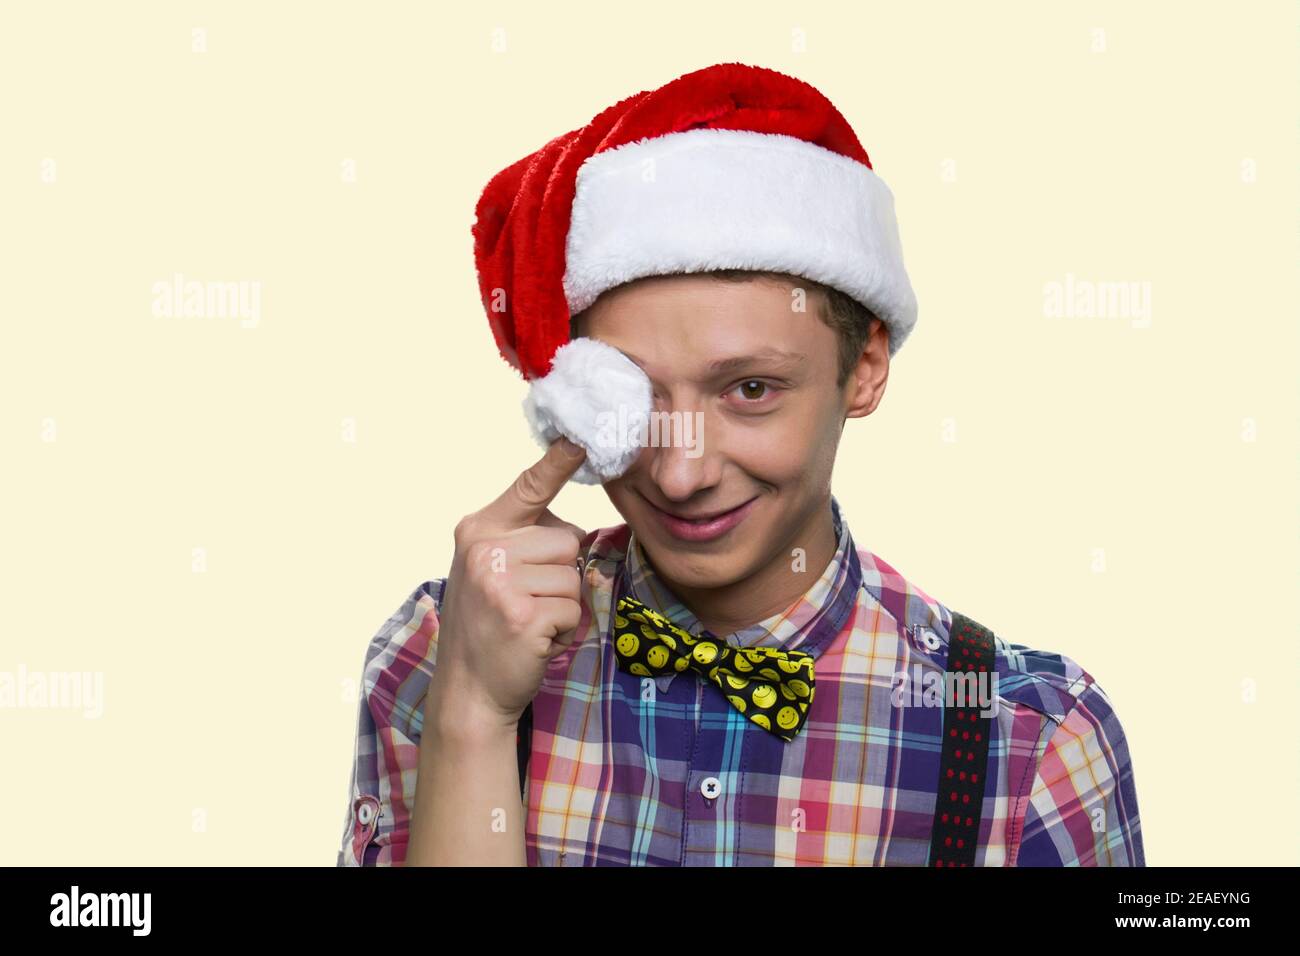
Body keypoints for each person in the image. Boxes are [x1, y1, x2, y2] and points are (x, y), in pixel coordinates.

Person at [336, 62, 1144, 867]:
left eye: (750, 389)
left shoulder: (1031, 742)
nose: (680, 474)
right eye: (636, 396)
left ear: (863, 367)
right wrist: (472, 714)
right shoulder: (442, 652)